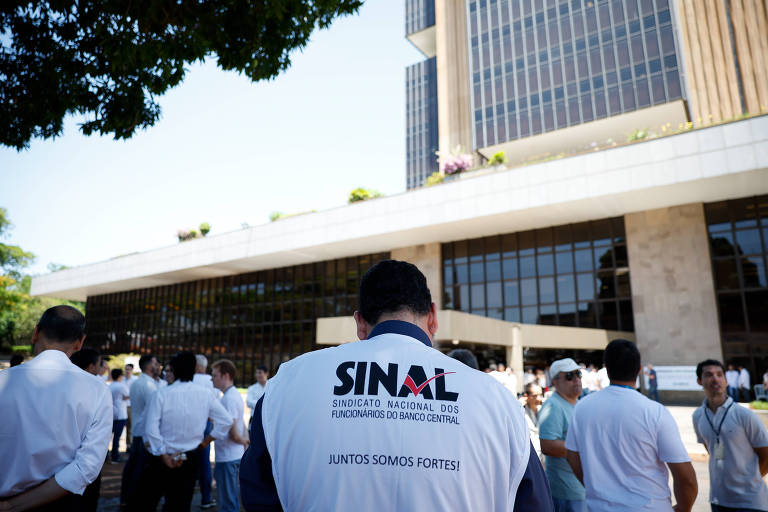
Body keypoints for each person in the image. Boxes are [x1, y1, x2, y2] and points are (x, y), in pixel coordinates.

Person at [239, 259, 553, 511]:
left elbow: (257, 495)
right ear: (432, 317)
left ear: (360, 322)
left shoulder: (288, 385)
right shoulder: (494, 399)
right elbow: (533, 502)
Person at [0, 306, 112, 511]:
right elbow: (86, 467)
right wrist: (12, 506)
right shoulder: (97, 390)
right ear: (80, 342)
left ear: (35, 333)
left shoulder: (3, 381)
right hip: (60, 502)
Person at [565, 339, 697, 512]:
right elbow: (686, 478)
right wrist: (683, 508)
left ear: (607, 368)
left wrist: (595, 488)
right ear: (639, 369)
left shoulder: (582, 408)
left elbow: (572, 456)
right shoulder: (655, 412)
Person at [129, 351, 232, 512]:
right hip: (189, 456)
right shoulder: (205, 394)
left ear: (174, 370)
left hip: (160, 458)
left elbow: (150, 429)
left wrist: (162, 453)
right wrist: (206, 442)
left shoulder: (161, 394)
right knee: (179, 504)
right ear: (195, 369)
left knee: (145, 502)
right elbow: (226, 420)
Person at [693, 359, 768, 511]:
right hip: (718, 500)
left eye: (719, 375)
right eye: (709, 375)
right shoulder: (698, 416)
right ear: (699, 381)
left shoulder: (745, 415)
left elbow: (766, 455)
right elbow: (712, 452)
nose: (715, 379)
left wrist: (749, 479)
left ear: (726, 381)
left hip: (750, 502)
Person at [539, 358, 586, 512]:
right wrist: (587, 449)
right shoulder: (553, 406)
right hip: (566, 491)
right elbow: (548, 445)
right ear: (555, 381)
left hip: (580, 487)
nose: (576, 380)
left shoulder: (578, 404)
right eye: (569, 376)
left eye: (578, 374)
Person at [121, 354, 162, 508]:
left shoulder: (139, 382)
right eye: (156, 363)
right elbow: (154, 411)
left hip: (139, 430)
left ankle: (126, 499)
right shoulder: (149, 385)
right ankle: (134, 501)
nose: (159, 366)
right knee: (140, 471)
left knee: (132, 468)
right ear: (149, 366)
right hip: (144, 433)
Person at [211, 359, 250, 512]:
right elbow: (240, 425)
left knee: (228, 503)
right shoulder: (232, 395)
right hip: (230, 455)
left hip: (227, 456)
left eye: (214, 375)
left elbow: (234, 432)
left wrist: (244, 441)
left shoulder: (229, 398)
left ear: (225, 376)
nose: (211, 378)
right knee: (230, 499)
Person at [70, 348, 105, 512]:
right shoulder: (99, 388)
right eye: (99, 364)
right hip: (85, 466)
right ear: (91, 366)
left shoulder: (62, 383)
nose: (102, 368)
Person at [193, 354, 217, 509]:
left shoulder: (188, 379)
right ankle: (206, 498)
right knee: (204, 462)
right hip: (205, 423)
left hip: (188, 424)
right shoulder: (209, 381)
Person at [109, 368, 130, 463]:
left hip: (112, 414)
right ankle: (115, 456)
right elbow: (127, 396)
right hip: (121, 414)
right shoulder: (121, 386)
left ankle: (107, 457)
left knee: (109, 437)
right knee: (117, 437)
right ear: (120, 376)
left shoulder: (110, 385)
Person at [524, 383, 544, 463]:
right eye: (535, 396)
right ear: (527, 396)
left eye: (540, 395)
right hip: (530, 458)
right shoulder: (521, 413)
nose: (538, 398)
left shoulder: (544, 409)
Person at [124, 363, 136, 445]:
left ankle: (129, 445)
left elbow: (136, 393)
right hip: (121, 405)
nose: (127, 371)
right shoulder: (121, 379)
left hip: (130, 406)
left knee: (130, 426)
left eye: (129, 369)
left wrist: (128, 396)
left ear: (132, 370)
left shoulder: (135, 379)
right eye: (126, 369)